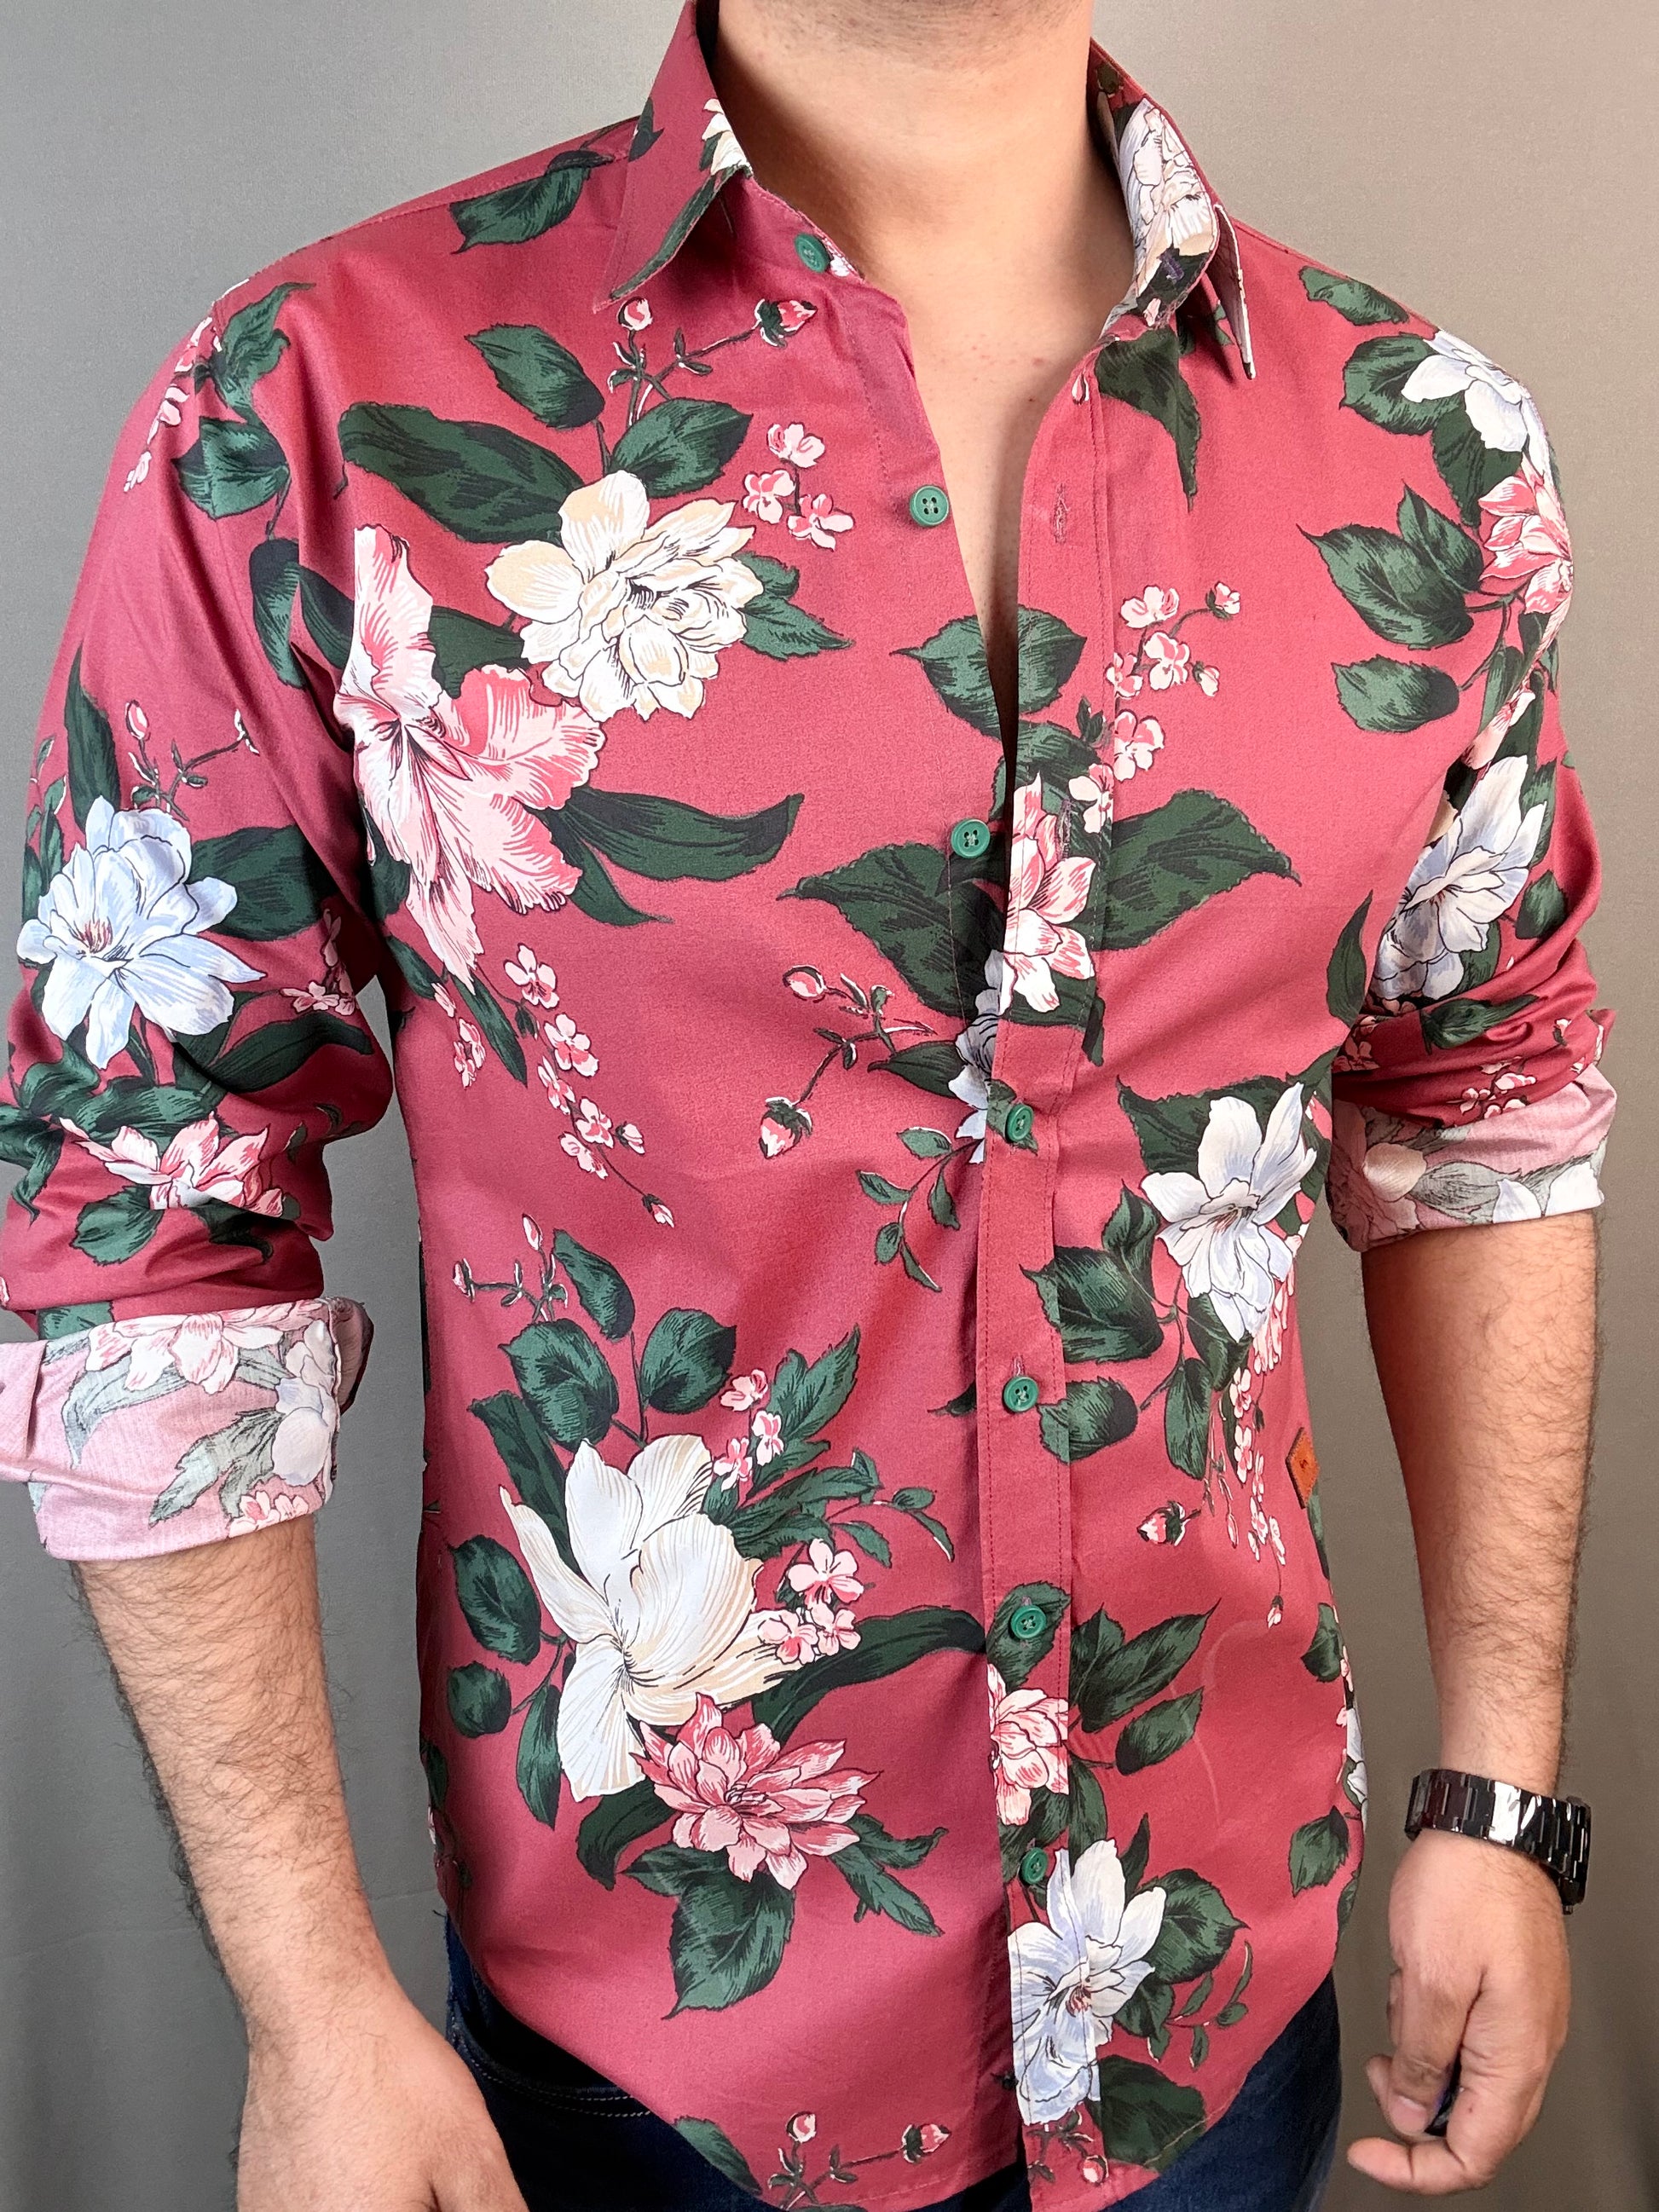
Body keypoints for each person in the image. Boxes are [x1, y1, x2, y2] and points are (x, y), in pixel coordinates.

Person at [0, 0, 1616, 2206]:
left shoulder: (1427, 446)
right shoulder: (318, 408)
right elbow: (138, 1210)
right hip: (642, 2073)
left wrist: (1500, 1793)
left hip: (1220, 1995)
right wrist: (306, 1998)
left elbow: (1488, 1115)